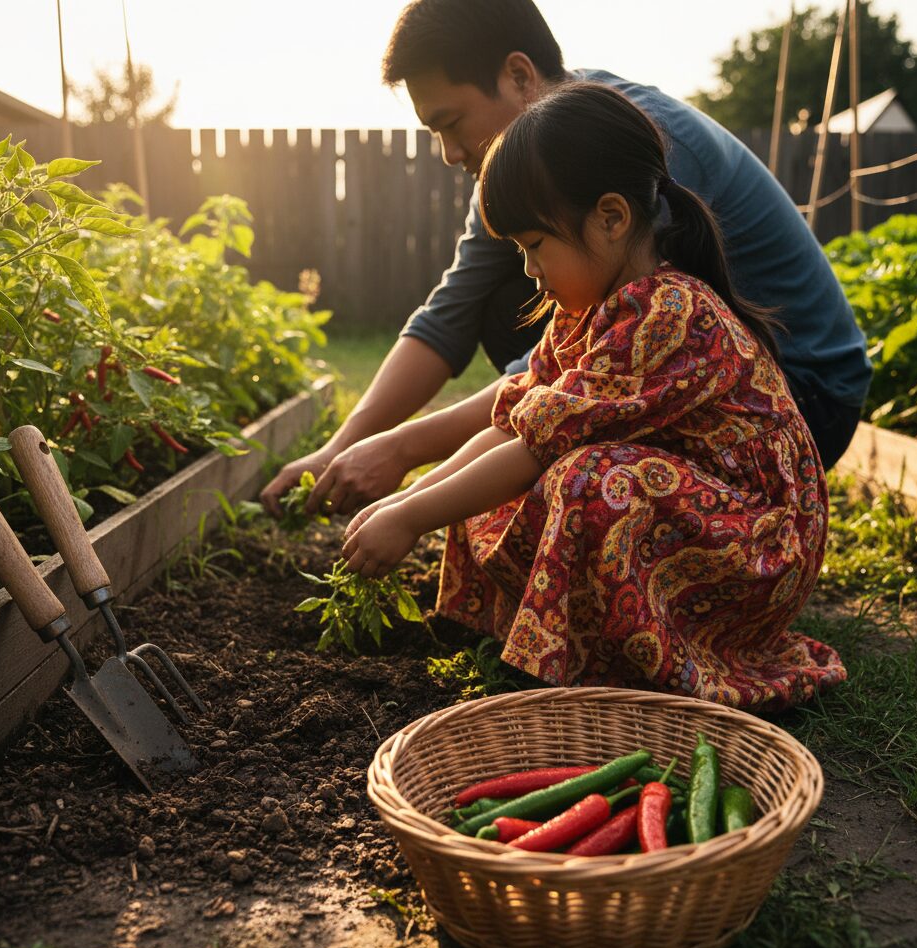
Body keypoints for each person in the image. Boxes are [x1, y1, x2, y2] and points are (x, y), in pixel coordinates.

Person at [340, 81, 846, 710]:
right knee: (490, 479)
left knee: (585, 478)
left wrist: (412, 518)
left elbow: (532, 450)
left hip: (762, 548)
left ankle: (621, 668)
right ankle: (526, 633)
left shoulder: (670, 313)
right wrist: (414, 498)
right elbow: (512, 424)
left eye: (535, 245)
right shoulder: (585, 314)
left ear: (611, 217)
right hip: (702, 514)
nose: (529, 269)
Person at [259, 0, 871, 519]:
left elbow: (598, 366)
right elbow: (455, 310)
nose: (448, 154)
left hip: (798, 395)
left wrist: (412, 469)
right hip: (685, 377)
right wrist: (345, 446)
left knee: (577, 470)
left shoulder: (632, 144)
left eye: (451, 123)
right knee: (507, 307)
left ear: (520, 76)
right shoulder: (523, 162)